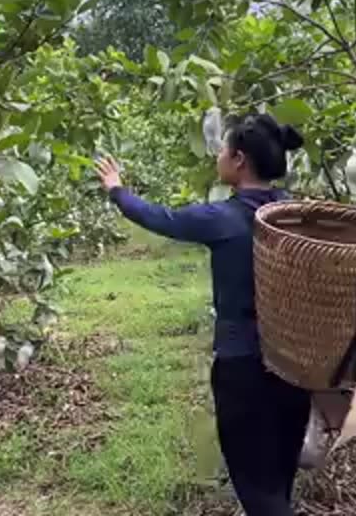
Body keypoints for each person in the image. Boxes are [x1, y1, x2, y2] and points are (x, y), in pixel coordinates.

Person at [94, 112, 310, 516]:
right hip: (295, 367)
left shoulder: (223, 219)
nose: (219, 156)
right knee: (278, 478)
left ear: (239, 159)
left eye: (224, 149)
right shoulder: (294, 214)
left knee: (255, 486)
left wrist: (117, 190)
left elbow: (161, 218)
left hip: (243, 367)